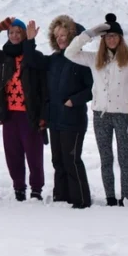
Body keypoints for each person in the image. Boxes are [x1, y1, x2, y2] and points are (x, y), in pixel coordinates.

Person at [65, 13, 128, 206]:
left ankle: (125, 198)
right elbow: (70, 52)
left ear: (120, 38)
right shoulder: (95, 59)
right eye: (107, 36)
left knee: (124, 159)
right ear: (103, 39)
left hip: (123, 116)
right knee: (106, 159)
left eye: (114, 36)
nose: (111, 39)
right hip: (101, 116)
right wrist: (89, 34)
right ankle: (110, 197)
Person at [24, 17, 93, 209]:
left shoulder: (82, 59)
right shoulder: (53, 60)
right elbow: (32, 60)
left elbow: (92, 89)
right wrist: (30, 41)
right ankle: (61, 199)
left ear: (72, 35)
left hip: (73, 119)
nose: (60, 39)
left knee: (71, 160)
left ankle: (81, 201)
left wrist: (74, 100)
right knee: (58, 161)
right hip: (55, 119)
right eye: (57, 36)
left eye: (63, 35)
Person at [0, 17, 46, 201]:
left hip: (30, 115)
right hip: (9, 114)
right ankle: (19, 188)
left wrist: (43, 115)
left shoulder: (35, 57)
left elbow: (43, 89)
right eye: (11, 32)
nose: (15, 35)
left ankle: (36, 189)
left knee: (34, 155)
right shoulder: (4, 57)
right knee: (13, 154)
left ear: (25, 34)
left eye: (19, 32)